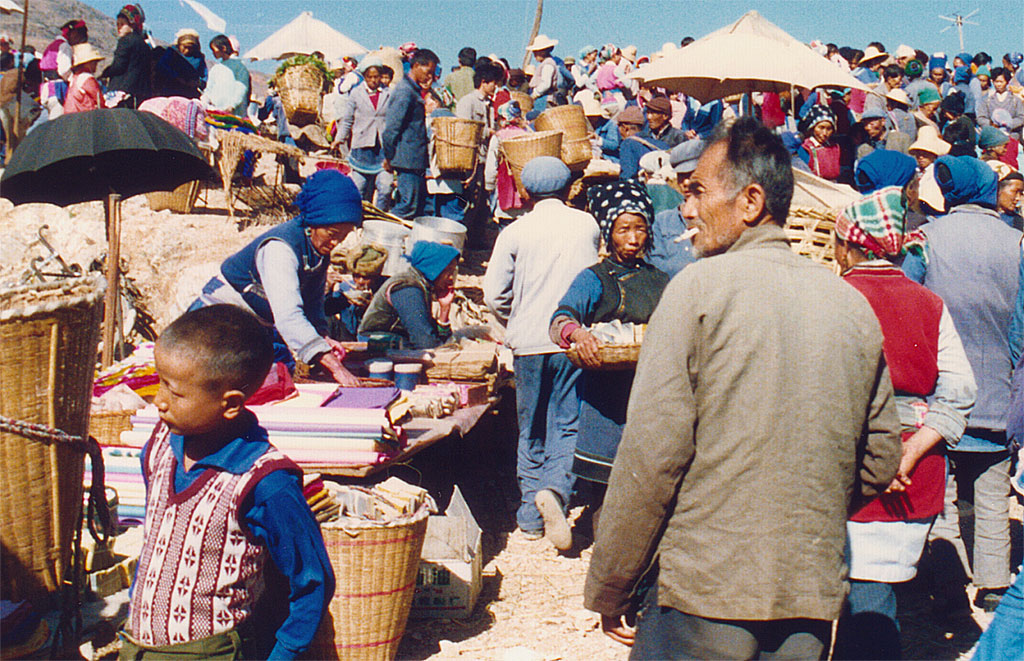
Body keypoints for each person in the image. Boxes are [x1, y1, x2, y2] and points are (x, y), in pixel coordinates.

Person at [584, 118, 901, 659]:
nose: (686, 209)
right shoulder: (849, 304)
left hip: (704, 593)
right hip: (808, 590)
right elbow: (879, 458)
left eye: (698, 192)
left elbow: (652, 457)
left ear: (750, 201)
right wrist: (802, 509)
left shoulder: (696, 291)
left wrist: (612, 583)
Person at [121, 305, 333, 660]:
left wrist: (284, 654)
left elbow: (311, 580)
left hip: (208, 651)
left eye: (175, 393)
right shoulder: (160, 444)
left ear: (231, 403)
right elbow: (157, 534)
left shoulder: (265, 481)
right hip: (138, 643)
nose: (158, 401)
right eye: (160, 383)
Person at [830, 187, 976, 660]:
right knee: (874, 594)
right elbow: (960, 390)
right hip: (916, 472)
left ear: (850, 245)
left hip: (849, 469)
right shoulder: (930, 304)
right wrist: (910, 451)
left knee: (865, 601)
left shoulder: (835, 297)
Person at [903, 155, 1022, 614]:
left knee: (944, 492)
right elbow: (1021, 325)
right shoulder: (1017, 243)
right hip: (998, 389)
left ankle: (949, 582)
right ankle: (993, 583)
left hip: (940, 392)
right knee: (993, 492)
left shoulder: (925, 240)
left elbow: (913, 306)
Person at [483, 156, 600, 550]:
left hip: (529, 342)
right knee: (567, 423)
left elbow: (493, 293)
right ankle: (555, 491)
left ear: (526, 192)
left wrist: (514, 315)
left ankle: (530, 518)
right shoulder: (587, 224)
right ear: (569, 190)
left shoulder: (515, 231)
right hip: (574, 340)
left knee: (530, 426)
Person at [548, 180, 669, 532]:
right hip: (605, 395)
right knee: (606, 482)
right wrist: (579, 334)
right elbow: (560, 320)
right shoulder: (593, 279)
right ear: (608, 232)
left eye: (640, 228)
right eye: (623, 229)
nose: (633, 238)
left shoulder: (659, 279)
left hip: (648, 391)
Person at [191, 170, 363, 386]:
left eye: (343, 236)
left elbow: (313, 303)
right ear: (314, 222)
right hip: (215, 328)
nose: (336, 242)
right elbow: (288, 315)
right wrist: (334, 366)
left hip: (255, 327)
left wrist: (323, 338)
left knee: (282, 374)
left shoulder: (318, 251)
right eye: (332, 233)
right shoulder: (280, 249)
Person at [357, 241, 459, 349]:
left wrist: (445, 308)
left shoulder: (422, 285)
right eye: (448, 272)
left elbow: (431, 334)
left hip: (395, 339)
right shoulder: (408, 290)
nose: (451, 278)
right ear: (434, 269)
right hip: (375, 342)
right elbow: (425, 343)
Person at [383, 48, 438, 220]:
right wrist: (389, 157)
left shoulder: (413, 90)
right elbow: (391, 128)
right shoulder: (405, 91)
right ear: (415, 66)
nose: (429, 77)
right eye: (427, 72)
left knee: (419, 205)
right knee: (407, 206)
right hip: (407, 160)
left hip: (415, 160)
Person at [334, 57, 393, 210]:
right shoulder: (356, 93)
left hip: (382, 151)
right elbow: (347, 120)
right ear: (365, 77)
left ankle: (380, 217)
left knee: (385, 189)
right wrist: (339, 139)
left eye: (376, 77)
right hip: (362, 148)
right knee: (359, 189)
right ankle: (357, 219)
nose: (373, 80)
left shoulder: (389, 93)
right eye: (370, 77)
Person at [648, 139, 701, 277]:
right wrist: (682, 270)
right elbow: (653, 262)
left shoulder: (718, 218)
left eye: (691, 175)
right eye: (681, 176)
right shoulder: (663, 220)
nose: (686, 182)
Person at [99, 4, 151, 108]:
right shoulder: (144, 45)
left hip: (123, 92)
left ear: (132, 25)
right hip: (139, 93)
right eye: (117, 24)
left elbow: (119, 66)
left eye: (122, 24)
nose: (119, 28)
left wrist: (105, 73)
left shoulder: (125, 41)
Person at [204, 34, 250, 118]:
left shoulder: (239, 66)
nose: (213, 53)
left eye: (214, 49)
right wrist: (205, 100)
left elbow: (242, 87)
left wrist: (232, 105)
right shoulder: (216, 69)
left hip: (235, 113)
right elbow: (209, 89)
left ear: (223, 48)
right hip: (216, 111)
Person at [152, 29, 206, 99]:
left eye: (190, 48)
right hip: (170, 91)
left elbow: (204, 75)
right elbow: (162, 67)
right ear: (179, 44)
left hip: (190, 93)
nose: (187, 50)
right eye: (185, 47)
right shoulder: (171, 53)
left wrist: (198, 82)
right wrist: (178, 78)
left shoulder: (198, 58)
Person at [977, 68, 1024, 140]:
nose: (998, 84)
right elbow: (981, 117)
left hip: (1011, 137)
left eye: (1001, 82)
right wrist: (992, 124)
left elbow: (1021, 118)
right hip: (993, 138)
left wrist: (1008, 123)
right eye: (996, 82)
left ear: (1007, 82)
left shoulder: (1015, 100)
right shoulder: (986, 100)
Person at [799, 104, 841, 180]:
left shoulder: (834, 147)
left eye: (829, 129)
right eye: (821, 128)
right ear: (812, 128)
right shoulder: (806, 148)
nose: (825, 133)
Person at [63, 44, 105, 114]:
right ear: (88, 63)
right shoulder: (87, 79)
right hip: (83, 115)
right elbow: (99, 99)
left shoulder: (75, 77)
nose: (96, 65)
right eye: (94, 62)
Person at [526, 34, 560, 111]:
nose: (534, 54)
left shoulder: (548, 64)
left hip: (544, 98)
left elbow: (546, 83)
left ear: (543, 52)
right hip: (541, 98)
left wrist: (535, 93)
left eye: (536, 51)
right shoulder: (545, 63)